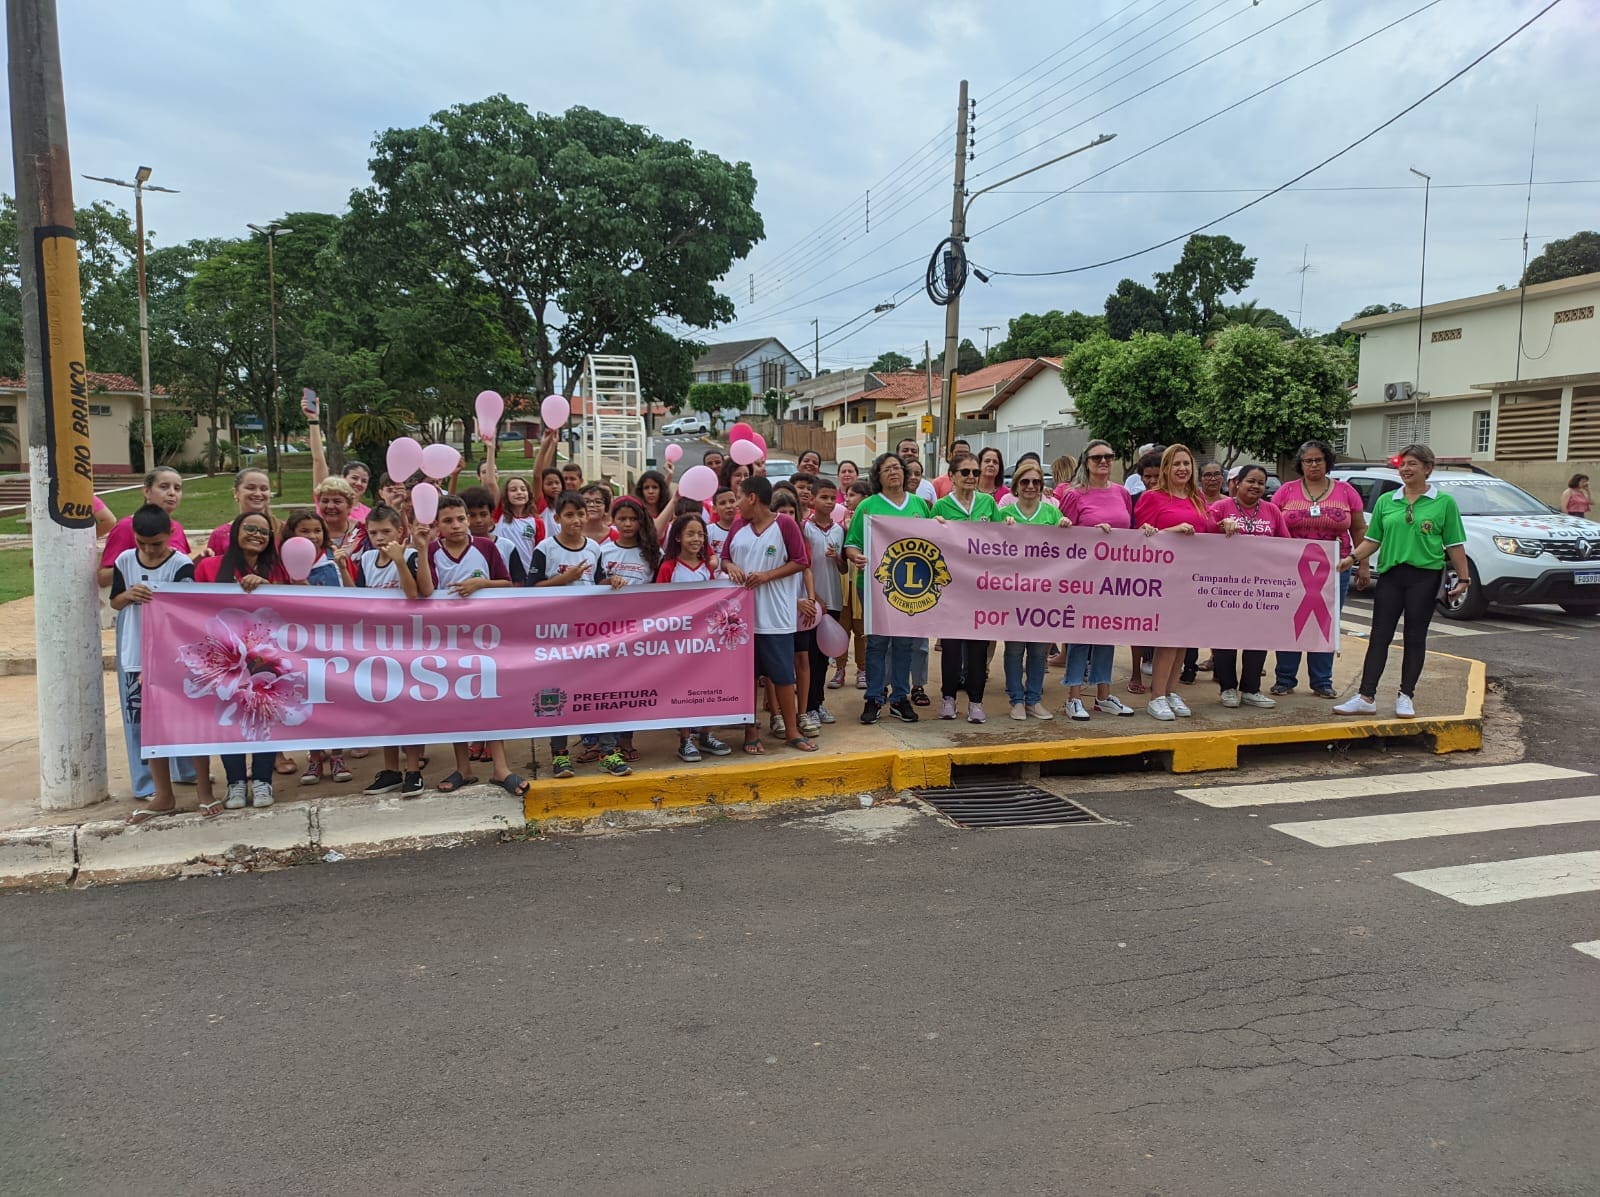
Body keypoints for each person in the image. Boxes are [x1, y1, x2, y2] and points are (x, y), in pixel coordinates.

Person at [1335, 444, 1470, 719]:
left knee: (1414, 637)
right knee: (1379, 636)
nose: (1406, 469)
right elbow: (1373, 539)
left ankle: (1406, 695)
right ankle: (1366, 696)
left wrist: (1464, 578)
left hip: (1424, 577)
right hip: (1391, 576)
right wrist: (1352, 558)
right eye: (1403, 464)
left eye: (1412, 464)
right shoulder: (1388, 501)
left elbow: (1455, 544)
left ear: (1427, 468)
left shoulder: (1444, 503)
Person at [110, 505, 205, 821]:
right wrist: (129, 595)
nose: (149, 550)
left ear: (170, 535)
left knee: (184, 720)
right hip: (135, 656)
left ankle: (199, 786)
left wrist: (161, 659)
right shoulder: (125, 561)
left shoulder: (181, 565)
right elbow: (115, 601)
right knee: (145, 725)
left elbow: (183, 612)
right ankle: (158, 790)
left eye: (157, 544)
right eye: (143, 544)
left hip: (170, 655)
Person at [426, 494, 527, 796]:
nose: (456, 525)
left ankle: (500, 768)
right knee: (456, 703)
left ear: (468, 519)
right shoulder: (431, 551)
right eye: (448, 521)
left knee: (490, 699)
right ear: (437, 525)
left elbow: (507, 583)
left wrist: (481, 583)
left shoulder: (485, 547)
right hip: (448, 639)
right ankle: (463, 768)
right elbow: (426, 591)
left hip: (486, 637)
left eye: (461, 518)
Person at [1134, 444, 1240, 721]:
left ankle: (1170, 691)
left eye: (1187, 464)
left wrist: (1225, 524)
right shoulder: (1152, 497)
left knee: (1183, 640)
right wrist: (1172, 530)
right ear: (1166, 468)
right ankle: (1156, 696)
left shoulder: (1197, 498)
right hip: (1164, 577)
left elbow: (1208, 528)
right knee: (1168, 639)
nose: (1182, 469)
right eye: (1176, 464)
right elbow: (1140, 538)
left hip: (1193, 576)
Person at [194, 512, 289, 809]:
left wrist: (267, 586)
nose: (257, 535)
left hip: (265, 661)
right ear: (235, 531)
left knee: (263, 717)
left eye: (264, 532)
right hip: (224, 660)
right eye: (250, 528)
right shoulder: (209, 567)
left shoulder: (278, 570)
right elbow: (192, 607)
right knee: (228, 717)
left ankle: (262, 780)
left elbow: (293, 605)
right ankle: (235, 782)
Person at [723, 476, 816, 754]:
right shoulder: (738, 526)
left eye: (739, 497)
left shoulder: (784, 524)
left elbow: (801, 561)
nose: (736, 504)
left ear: (753, 498)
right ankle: (751, 731)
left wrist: (767, 576)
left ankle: (792, 731)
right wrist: (729, 567)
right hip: (741, 618)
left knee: (783, 676)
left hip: (776, 616)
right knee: (748, 677)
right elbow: (725, 557)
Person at [1271, 439, 1369, 698]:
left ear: (1327, 462)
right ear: (1300, 464)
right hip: (1292, 568)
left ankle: (1322, 681)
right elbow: (1272, 525)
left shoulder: (1345, 491)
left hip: (1336, 567)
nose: (1313, 465)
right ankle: (1284, 679)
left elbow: (1359, 528)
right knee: (1290, 620)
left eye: (1318, 460)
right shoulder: (1286, 491)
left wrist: (1363, 564)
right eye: (1308, 461)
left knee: (1325, 620)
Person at [354, 505, 436, 795]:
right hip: (378, 645)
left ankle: (412, 769)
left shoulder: (410, 556)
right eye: (374, 532)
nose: (380, 538)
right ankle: (390, 771)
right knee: (385, 707)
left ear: (400, 532)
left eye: (386, 531)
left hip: (408, 643)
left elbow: (414, 594)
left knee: (408, 708)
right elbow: (358, 597)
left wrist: (400, 561)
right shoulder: (366, 559)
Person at [845, 453, 931, 724]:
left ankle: (900, 698)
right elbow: (852, 543)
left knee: (904, 642)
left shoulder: (918, 504)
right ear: (878, 476)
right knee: (877, 642)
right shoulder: (868, 506)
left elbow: (934, 539)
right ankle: (874, 697)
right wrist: (856, 556)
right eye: (887, 469)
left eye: (897, 467)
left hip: (911, 587)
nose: (894, 472)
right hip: (875, 585)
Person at [529, 491, 609, 781]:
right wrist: (565, 579)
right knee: (557, 693)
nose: (576, 520)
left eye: (581, 514)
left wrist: (612, 581)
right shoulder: (545, 548)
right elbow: (531, 588)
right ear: (557, 518)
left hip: (589, 634)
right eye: (569, 515)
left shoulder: (595, 548)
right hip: (557, 635)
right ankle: (559, 754)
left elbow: (599, 581)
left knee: (599, 690)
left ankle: (607, 751)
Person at [1057, 440, 1138, 718]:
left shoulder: (1122, 493)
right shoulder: (1074, 494)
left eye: (1108, 456)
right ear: (1086, 462)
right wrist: (1091, 534)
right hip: (1082, 578)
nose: (1103, 461)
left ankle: (1103, 695)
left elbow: (1129, 530)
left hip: (1115, 578)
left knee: (1106, 634)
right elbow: (1062, 538)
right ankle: (1073, 696)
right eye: (1097, 457)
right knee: (1080, 636)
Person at [1208, 465, 1288, 710]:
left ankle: (1251, 689)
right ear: (1236, 483)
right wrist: (1220, 524)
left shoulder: (1272, 511)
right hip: (1226, 585)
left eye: (1261, 483)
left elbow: (1286, 545)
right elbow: (1203, 533)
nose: (1256, 486)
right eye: (1250, 481)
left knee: (1258, 637)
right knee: (1225, 637)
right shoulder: (1220, 507)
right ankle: (1227, 688)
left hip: (1261, 587)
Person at [657, 512, 735, 763]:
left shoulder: (706, 568)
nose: (696, 539)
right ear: (677, 537)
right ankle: (685, 739)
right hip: (679, 641)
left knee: (706, 685)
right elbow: (658, 604)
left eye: (700, 534)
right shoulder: (668, 567)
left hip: (704, 640)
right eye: (690, 533)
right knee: (682, 687)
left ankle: (706, 734)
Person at [931, 451, 1001, 722]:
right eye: (965, 472)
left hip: (981, 587)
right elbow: (929, 542)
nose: (972, 477)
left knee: (977, 648)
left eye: (975, 472)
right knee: (951, 646)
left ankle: (976, 702)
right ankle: (948, 698)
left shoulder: (988, 503)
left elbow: (1001, 539)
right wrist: (934, 527)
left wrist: (1007, 525)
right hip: (951, 588)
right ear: (952, 476)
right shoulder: (940, 507)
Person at [998, 459, 1063, 720]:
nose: (1031, 486)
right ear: (1016, 485)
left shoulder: (1052, 514)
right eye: (1025, 481)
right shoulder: (1003, 514)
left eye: (1036, 481)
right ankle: (1016, 699)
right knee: (1014, 650)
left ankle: (1034, 700)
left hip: (1044, 594)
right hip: (1012, 594)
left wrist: (1065, 528)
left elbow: (1068, 549)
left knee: (1038, 650)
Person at [770, 489, 822, 737]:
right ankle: (777, 715)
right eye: (783, 512)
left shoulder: (801, 538)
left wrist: (810, 599)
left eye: (792, 512)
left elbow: (806, 570)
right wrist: (794, 602)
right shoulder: (768, 541)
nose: (788, 517)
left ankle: (802, 713)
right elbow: (769, 579)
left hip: (801, 610)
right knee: (776, 665)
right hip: (777, 609)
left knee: (803, 659)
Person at [97, 467, 190, 587]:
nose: (172, 493)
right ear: (147, 491)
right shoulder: (126, 527)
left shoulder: (176, 527)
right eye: (164, 487)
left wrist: (202, 559)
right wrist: (139, 565)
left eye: (177, 488)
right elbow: (102, 578)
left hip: (171, 598)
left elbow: (179, 569)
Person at [802, 478, 846, 731]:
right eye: (824, 497)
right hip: (813, 601)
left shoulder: (839, 530)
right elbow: (802, 567)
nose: (829, 502)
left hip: (834, 600)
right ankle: (808, 705)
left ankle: (818, 703)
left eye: (833, 498)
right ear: (812, 500)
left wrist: (837, 557)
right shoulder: (804, 528)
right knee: (810, 657)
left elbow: (843, 569)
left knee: (824, 657)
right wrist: (814, 597)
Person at [833, 478, 873, 690]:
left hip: (862, 581)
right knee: (842, 629)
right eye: (846, 495)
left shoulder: (873, 523)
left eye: (852, 495)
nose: (847, 499)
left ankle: (862, 669)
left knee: (861, 629)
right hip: (842, 583)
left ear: (865, 498)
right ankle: (839, 669)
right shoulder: (839, 524)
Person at [306, 408, 373, 522]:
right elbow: (318, 460)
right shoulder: (328, 499)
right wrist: (313, 420)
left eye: (364, 481)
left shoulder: (369, 514)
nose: (358, 483)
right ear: (343, 478)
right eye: (354, 478)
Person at [462, 486, 528, 586]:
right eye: (472, 515)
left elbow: (518, 582)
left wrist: (485, 584)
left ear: (491, 515)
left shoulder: (507, 546)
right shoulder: (458, 547)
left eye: (483, 514)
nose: (479, 520)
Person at [204, 467, 275, 557]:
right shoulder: (220, 535)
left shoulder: (282, 530)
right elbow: (213, 565)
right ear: (236, 492)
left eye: (264, 489)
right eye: (251, 488)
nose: (258, 493)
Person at [495, 474, 545, 576]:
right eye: (513, 490)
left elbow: (540, 552)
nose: (519, 492)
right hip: (504, 575)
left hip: (527, 575)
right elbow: (490, 483)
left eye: (523, 489)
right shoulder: (499, 515)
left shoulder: (537, 522)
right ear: (506, 495)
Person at [314, 476, 366, 573]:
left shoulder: (363, 531)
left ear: (349, 505)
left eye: (337, 501)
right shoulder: (311, 532)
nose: (330, 506)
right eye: (325, 501)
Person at [897, 438, 939, 504]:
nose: (909, 453)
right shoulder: (890, 483)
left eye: (914, 451)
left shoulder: (927, 486)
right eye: (905, 450)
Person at [706, 486, 738, 563]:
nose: (728, 506)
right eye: (722, 503)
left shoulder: (745, 530)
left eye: (732, 501)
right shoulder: (708, 531)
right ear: (714, 509)